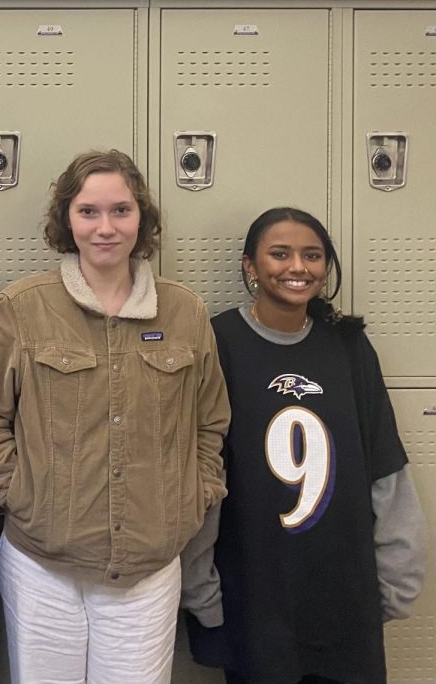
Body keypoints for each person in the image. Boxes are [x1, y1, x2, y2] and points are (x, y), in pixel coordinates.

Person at [0, 148, 230, 684]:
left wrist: (190, 496)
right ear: (67, 219)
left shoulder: (184, 313)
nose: (105, 227)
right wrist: (24, 496)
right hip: (42, 567)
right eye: (88, 211)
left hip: (146, 571)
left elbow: (210, 422)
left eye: (120, 211)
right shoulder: (22, 308)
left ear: (142, 218)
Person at [181, 207, 426, 684]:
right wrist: (200, 589)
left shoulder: (348, 345)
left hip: (344, 594)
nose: (298, 267)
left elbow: (385, 466)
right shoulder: (218, 342)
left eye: (312, 255)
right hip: (254, 591)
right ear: (250, 265)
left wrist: (398, 578)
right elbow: (200, 472)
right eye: (280, 254)